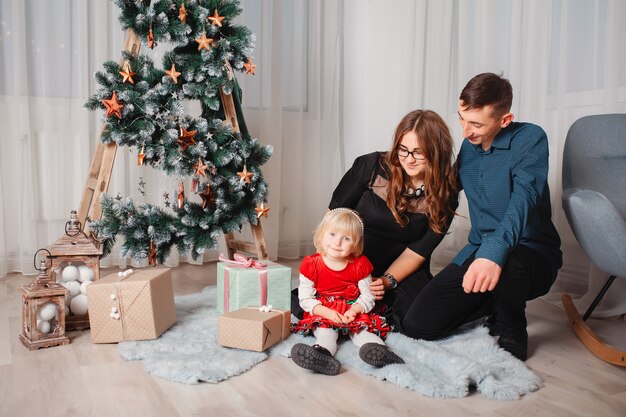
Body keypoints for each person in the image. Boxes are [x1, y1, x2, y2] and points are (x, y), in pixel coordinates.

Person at [395, 73, 562, 361]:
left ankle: (511, 325)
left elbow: (522, 203)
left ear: (505, 120)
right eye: (461, 118)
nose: (465, 131)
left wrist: (493, 255)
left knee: (511, 262)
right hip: (479, 251)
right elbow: (446, 190)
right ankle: (493, 299)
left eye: (476, 124)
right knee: (417, 324)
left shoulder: (530, 139)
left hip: (529, 256)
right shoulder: (470, 147)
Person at [293, 110, 458, 339]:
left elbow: (417, 252)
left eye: (419, 153)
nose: (409, 158)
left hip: (403, 267)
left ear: (437, 152)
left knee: (416, 322)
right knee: (309, 302)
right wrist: (331, 262)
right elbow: (333, 218)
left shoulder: (446, 192)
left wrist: (386, 281)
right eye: (403, 149)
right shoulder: (369, 166)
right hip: (353, 258)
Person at [291, 208, 404, 376]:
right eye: (332, 234)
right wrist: (326, 312)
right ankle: (321, 354)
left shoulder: (360, 264)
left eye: (346, 238)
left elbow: (367, 295)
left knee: (362, 330)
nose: (337, 243)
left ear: (356, 244)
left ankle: (379, 351)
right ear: (321, 234)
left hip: (352, 307)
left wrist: (354, 310)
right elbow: (305, 298)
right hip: (325, 308)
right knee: (325, 332)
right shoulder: (311, 264)